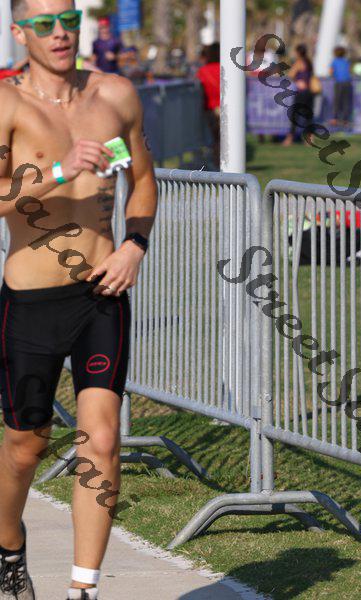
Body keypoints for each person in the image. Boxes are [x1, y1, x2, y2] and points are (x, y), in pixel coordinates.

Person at [0, 1, 158, 599]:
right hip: (31, 301)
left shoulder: (115, 94)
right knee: (26, 447)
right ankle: (7, 548)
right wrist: (60, 173)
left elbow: (143, 179)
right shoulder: (8, 104)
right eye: (44, 24)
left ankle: (83, 589)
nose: (60, 33)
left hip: (101, 294)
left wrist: (135, 245)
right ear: (20, 32)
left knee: (103, 437)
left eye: (68, 19)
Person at [282, 43, 314, 147]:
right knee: (307, 116)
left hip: (301, 92)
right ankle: (309, 139)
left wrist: (296, 79)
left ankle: (289, 138)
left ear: (298, 52)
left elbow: (291, 74)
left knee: (294, 116)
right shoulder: (309, 62)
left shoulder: (299, 62)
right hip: (309, 92)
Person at [195, 43, 220, 169]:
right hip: (226, 107)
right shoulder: (227, 68)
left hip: (212, 107)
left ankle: (218, 163)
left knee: (217, 139)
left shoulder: (203, 71)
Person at [330, 46, 352, 127]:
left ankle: (335, 119)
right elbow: (349, 71)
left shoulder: (334, 61)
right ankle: (345, 120)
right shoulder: (346, 61)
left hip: (339, 83)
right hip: (347, 83)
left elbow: (331, 72)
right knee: (346, 102)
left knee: (337, 101)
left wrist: (334, 75)